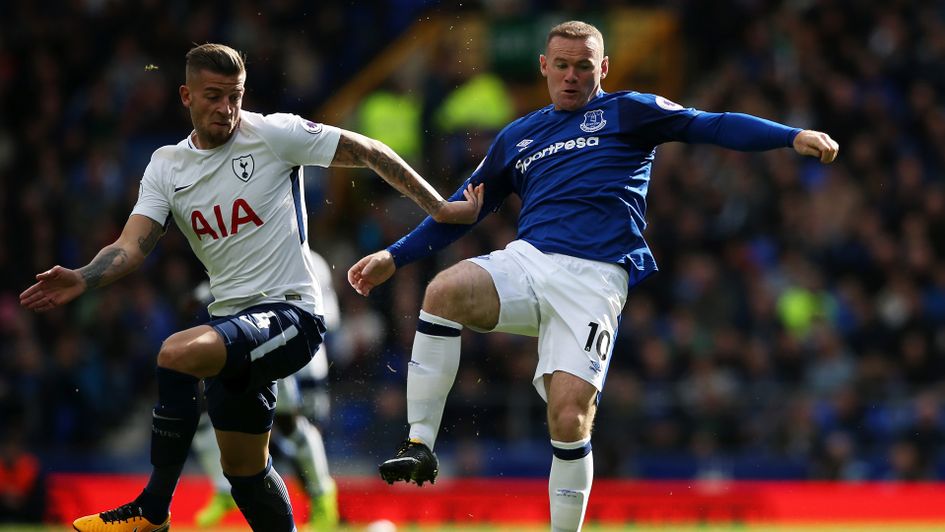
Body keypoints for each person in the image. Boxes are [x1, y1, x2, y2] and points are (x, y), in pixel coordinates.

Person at [347, 20, 839, 532]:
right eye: (561, 65)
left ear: (603, 68)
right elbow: (456, 211)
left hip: (595, 281)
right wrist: (394, 256)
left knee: (567, 417)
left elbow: (709, 124)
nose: (571, 76)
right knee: (443, 291)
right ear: (544, 67)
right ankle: (420, 443)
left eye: (584, 66)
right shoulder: (518, 136)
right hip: (530, 261)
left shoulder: (629, 112)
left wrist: (791, 136)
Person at [19, 43, 483, 532]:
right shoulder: (166, 166)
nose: (226, 108)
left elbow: (367, 150)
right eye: (213, 96)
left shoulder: (274, 134)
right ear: (186, 96)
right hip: (233, 323)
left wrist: (439, 208)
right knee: (244, 471)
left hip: (291, 315)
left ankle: (151, 511)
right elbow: (132, 245)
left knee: (175, 353)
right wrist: (83, 276)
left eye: (234, 96)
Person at [192, 249, 340, 529]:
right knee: (207, 411)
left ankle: (321, 497)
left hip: (295, 347)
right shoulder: (255, 245)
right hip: (252, 337)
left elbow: (327, 318)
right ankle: (226, 491)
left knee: (290, 425)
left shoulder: (306, 258)